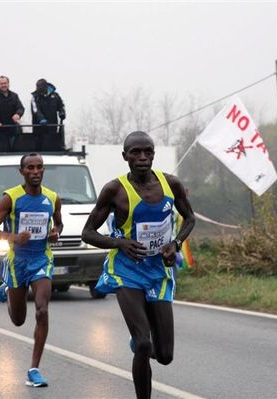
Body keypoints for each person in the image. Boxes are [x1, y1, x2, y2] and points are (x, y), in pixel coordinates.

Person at [81, 131, 195, 399]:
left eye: (148, 152)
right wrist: (119, 243)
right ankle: (140, 347)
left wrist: (176, 244)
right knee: (144, 345)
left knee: (165, 355)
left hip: (158, 272)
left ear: (153, 155)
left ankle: (140, 340)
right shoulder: (115, 190)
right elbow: (88, 233)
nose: (142, 158)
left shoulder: (172, 185)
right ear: (125, 157)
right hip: (127, 271)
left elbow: (189, 218)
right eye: (136, 153)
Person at [0, 153, 63, 388]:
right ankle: (7, 288)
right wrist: (13, 237)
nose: (35, 171)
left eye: (39, 167)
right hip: (17, 261)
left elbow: (58, 223)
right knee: (19, 320)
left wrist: (55, 233)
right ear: (22, 172)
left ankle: (33, 370)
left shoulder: (52, 198)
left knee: (42, 311)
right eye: (30, 167)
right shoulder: (11, 198)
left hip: (42, 260)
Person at [0, 75, 25, 150]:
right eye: (2, 83)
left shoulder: (14, 95)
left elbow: (21, 108)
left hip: (12, 129)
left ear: (8, 84)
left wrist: (18, 114)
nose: (4, 85)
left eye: (5, 83)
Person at [30, 79, 66, 151]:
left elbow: (61, 105)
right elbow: (35, 110)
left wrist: (62, 112)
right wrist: (41, 118)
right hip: (39, 126)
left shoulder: (55, 96)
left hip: (52, 125)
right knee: (39, 143)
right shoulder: (35, 97)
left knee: (52, 141)